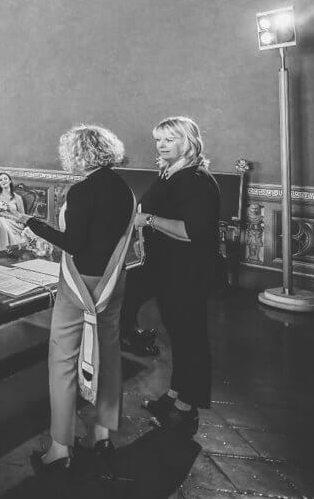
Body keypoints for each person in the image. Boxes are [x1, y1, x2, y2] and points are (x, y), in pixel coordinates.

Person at [1, 125, 134, 475]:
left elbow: (73, 244)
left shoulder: (82, 191)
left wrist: (31, 223)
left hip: (81, 284)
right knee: (107, 352)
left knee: (63, 359)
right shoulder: (124, 188)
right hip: (113, 281)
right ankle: (102, 435)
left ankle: (60, 448)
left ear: (78, 154)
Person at [132, 117, 220, 436]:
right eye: (159, 139)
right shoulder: (170, 174)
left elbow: (193, 232)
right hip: (167, 270)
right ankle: (174, 394)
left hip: (188, 273)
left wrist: (149, 220)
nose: (162, 144)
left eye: (171, 138)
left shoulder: (196, 179)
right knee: (178, 336)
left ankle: (187, 407)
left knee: (190, 338)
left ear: (189, 141)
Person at [0, 172, 26, 252]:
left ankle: (6, 249)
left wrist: (10, 212)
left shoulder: (17, 198)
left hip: (15, 223)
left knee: (1, 221)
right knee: (0, 221)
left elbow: (22, 216)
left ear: (10, 181)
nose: (3, 181)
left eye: (5, 179)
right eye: (1, 180)